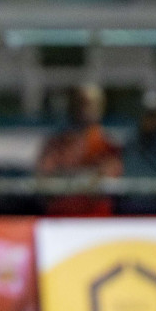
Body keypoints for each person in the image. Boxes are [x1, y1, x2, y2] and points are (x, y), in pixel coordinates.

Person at [36, 84, 121, 216]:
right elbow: (45, 175)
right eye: (83, 104)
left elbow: (109, 176)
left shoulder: (106, 144)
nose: (88, 110)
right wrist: (85, 178)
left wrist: (80, 179)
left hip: (95, 218)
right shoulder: (58, 142)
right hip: (61, 216)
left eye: (94, 105)